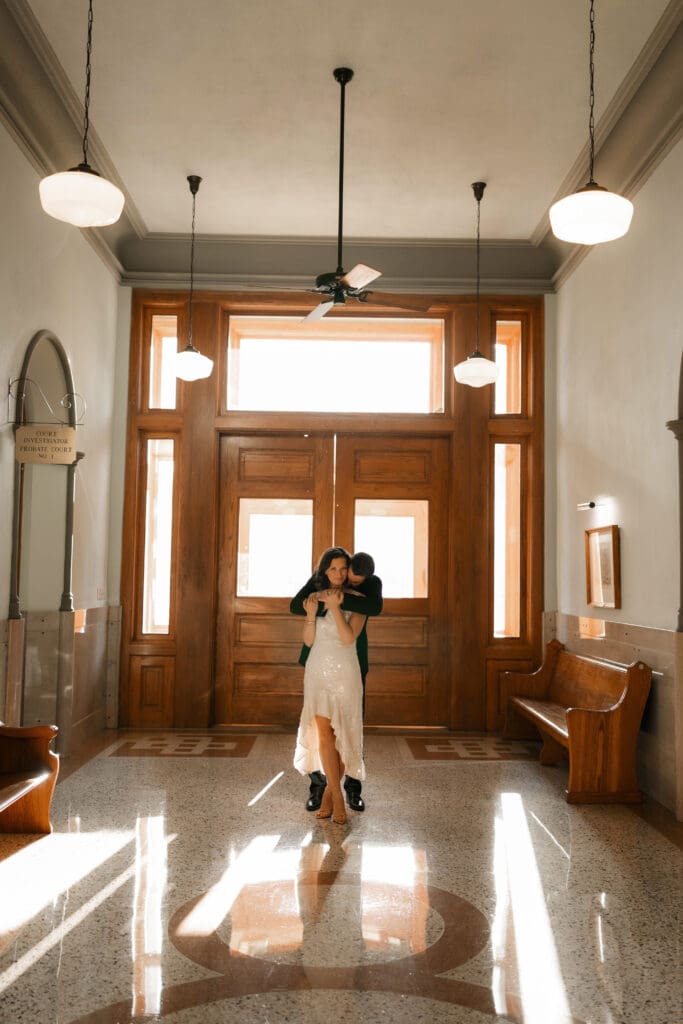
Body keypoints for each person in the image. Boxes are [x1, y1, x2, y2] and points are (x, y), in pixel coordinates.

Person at [290, 550, 383, 812]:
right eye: (335, 570)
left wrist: (338, 602)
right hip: (319, 662)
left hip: (350, 664)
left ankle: (351, 789)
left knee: (349, 726)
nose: (342, 575)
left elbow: (372, 608)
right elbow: (296, 606)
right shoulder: (317, 583)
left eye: (345, 570)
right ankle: (321, 789)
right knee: (322, 732)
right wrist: (322, 602)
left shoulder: (370, 585)